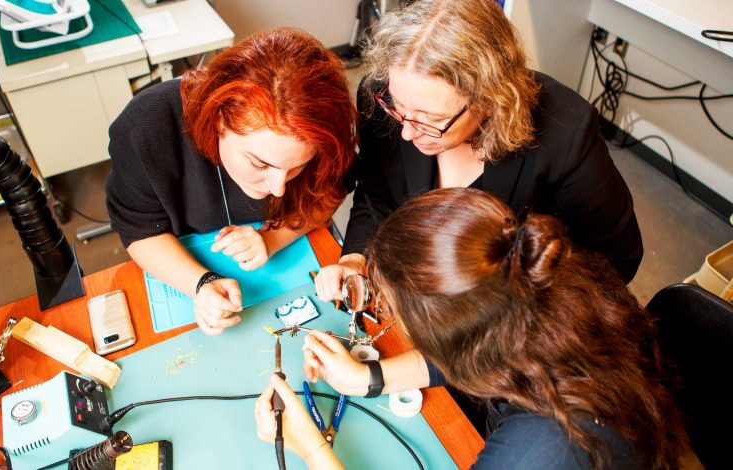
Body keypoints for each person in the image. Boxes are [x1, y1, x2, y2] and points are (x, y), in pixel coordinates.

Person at [255, 188, 688, 469]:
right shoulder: (551, 279)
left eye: (391, 308)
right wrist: (370, 377)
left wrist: (311, 448)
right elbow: (475, 341)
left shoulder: (541, 451)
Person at [314, 0, 643, 303]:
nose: (407, 131)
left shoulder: (565, 132)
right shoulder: (382, 93)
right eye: (399, 109)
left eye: (434, 120)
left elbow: (615, 261)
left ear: (490, 98)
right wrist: (356, 259)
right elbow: (377, 192)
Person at [106, 29, 356, 335]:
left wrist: (272, 238)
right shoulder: (147, 125)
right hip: (181, 260)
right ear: (218, 118)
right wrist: (201, 283)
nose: (278, 188)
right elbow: (140, 231)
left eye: (296, 168)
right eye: (259, 163)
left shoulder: (322, 132)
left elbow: (329, 192)